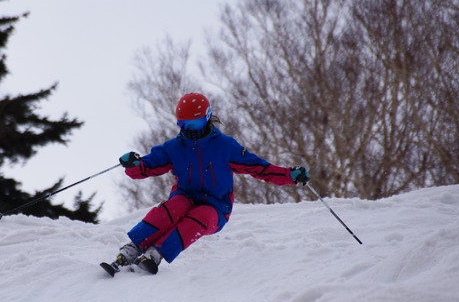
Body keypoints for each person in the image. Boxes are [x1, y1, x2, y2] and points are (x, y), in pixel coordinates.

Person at [104, 92, 309, 275]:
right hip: (184, 196)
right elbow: (146, 167)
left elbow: (259, 167)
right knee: (174, 207)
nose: (190, 130)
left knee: (201, 216)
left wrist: (290, 175)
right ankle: (134, 246)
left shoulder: (225, 147)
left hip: (216, 207)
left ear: (208, 118)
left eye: (196, 124)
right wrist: (133, 164)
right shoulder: (174, 148)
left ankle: (156, 253)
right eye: (185, 125)